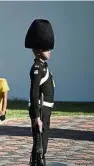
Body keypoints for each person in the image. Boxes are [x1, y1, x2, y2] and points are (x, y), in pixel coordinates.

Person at [25, 19, 55, 166]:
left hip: (45, 108)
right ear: (38, 50)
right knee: (39, 142)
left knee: (43, 140)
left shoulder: (43, 66)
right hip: (40, 107)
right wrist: (37, 116)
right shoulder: (37, 68)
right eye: (46, 48)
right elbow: (34, 92)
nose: (49, 51)